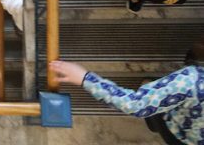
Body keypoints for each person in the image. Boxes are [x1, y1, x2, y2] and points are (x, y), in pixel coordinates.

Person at [51, 38, 204, 145]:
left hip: (178, 134)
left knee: (149, 89)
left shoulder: (191, 80)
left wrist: (85, 78)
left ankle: (154, 121)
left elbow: (135, 104)